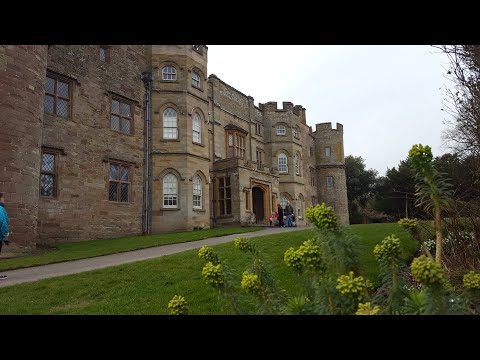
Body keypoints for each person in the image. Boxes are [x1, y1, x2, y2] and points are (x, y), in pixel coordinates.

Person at [0, 192, 10, 279]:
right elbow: (3, 222)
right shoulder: (1, 209)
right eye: (3, 198)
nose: (4, 200)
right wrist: (5, 236)